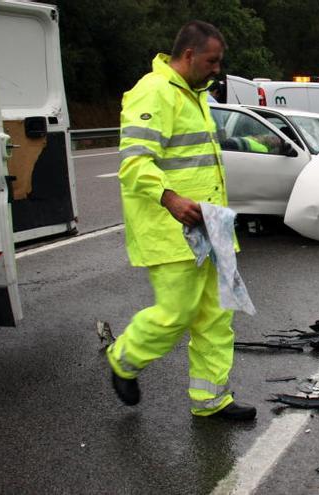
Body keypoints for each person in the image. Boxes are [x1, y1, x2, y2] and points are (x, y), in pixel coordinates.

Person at [106, 20, 256, 420]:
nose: (217, 69)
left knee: (217, 317)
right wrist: (169, 198)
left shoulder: (195, 94)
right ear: (189, 55)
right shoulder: (153, 91)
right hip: (171, 229)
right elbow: (134, 162)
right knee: (177, 312)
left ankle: (210, 400)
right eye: (212, 60)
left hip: (211, 225)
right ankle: (124, 357)